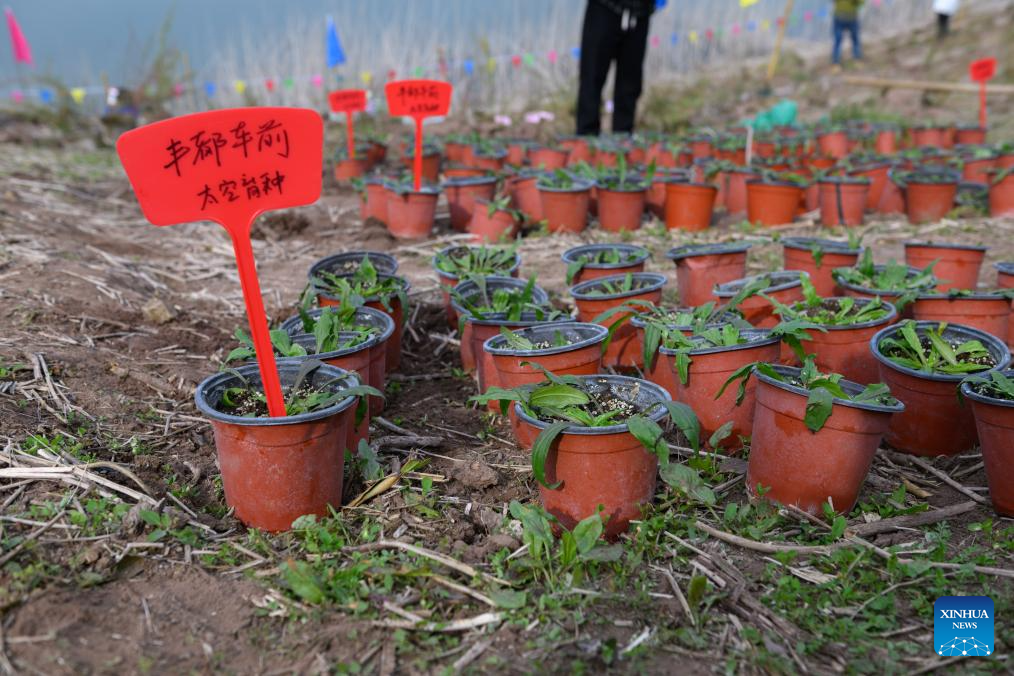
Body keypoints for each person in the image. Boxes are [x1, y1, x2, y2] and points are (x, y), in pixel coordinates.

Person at [576, 0, 657, 136]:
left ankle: (623, 142)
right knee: (591, 78)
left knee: (630, 83)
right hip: (603, 8)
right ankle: (586, 140)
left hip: (640, 13)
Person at [831, 0, 864, 69]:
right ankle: (836, 63)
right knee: (838, 40)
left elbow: (861, 3)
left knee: (855, 39)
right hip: (839, 18)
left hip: (852, 18)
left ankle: (857, 59)